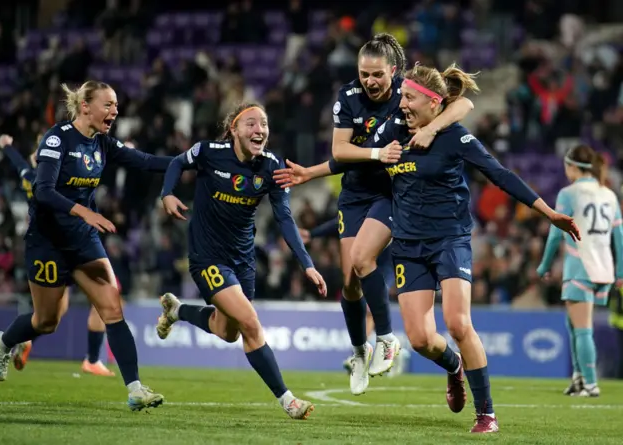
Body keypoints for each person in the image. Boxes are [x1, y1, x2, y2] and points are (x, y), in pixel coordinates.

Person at [277, 63, 580, 432]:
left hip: (450, 240)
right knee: (420, 340)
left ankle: (486, 413)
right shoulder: (393, 131)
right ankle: (454, 367)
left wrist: (547, 212)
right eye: (402, 96)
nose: (401, 103)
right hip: (407, 245)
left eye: (408, 97)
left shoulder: (454, 136)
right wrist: (311, 172)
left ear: (433, 102)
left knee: (457, 323)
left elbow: (500, 175)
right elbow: (352, 159)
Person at [273, 33, 475, 396]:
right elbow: (340, 149)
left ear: (393, 71)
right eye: (364, 74)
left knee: (363, 258)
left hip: (391, 191)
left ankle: (385, 338)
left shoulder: (407, 91)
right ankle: (358, 351)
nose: (369, 81)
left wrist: (431, 127)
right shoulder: (348, 97)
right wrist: (318, 171)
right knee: (349, 279)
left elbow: (461, 107)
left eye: (377, 74)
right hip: (354, 192)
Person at [0, 80, 171, 411]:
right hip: (48, 242)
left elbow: (144, 161)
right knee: (46, 321)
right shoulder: (57, 139)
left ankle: (135, 388)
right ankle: (5, 341)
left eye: (117, 106)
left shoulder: (103, 143)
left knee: (112, 308)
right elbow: (43, 191)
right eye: (109, 104)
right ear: (85, 106)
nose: (115, 111)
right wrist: (84, 211)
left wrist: (192, 160)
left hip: (83, 240)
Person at [156, 103, 327, 420]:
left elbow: (285, 219)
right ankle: (287, 400)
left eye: (263, 124)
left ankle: (177, 310)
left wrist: (307, 264)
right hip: (207, 256)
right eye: (250, 123)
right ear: (234, 129)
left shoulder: (272, 167)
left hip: (242, 259)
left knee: (227, 332)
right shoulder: (209, 152)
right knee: (250, 323)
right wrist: (167, 193)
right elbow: (177, 164)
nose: (259, 129)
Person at [0, 134, 114, 377]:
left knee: (56, 315)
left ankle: (31, 342)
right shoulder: (45, 181)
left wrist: (7, 147)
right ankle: (13, 340)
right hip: (50, 248)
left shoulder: (32, 175)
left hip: (71, 246)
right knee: (49, 319)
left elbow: (19, 164)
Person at [537, 145, 623, 397]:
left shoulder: (569, 193)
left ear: (573, 167)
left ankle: (591, 383)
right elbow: (619, 237)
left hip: (580, 266)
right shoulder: (608, 194)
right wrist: (620, 272)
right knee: (573, 322)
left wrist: (544, 264)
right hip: (604, 269)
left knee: (582, 327)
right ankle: (578, 378)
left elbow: (555, 233)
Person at [298, 218, 410, 376]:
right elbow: (342, 221)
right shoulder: (363, 208)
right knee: (361, 300)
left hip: (387, 259)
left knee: (370, 305)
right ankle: (394, 351)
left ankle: (363, 354)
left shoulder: (388, 204)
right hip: (368, 259)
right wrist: (313, 233)